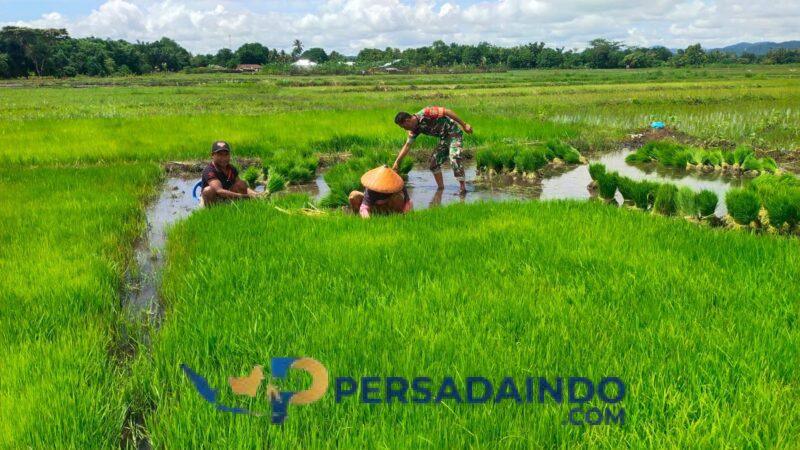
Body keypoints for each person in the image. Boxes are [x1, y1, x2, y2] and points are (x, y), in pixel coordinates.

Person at [392, 106, 473, 195]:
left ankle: (462, 188)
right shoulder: (414, 130)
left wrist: (464, 125)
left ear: (408, 120)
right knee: (433, 163)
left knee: (454, 157)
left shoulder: (426, 112)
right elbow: (407, 145)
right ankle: (440, 189)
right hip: (444, 138)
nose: (404, 129)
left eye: (404, 126)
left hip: (454, 133)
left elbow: (447, 111)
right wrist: (397, 162)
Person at [200, 141, 260, 206]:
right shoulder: (209, 170)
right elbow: (219, 191)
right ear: (212, 155)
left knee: (241, 183)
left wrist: (256, 194)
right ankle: (210, 210)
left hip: (228, 196)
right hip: (213, 199)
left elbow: (242, 185)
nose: (223, 158)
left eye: (226, 154)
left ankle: (240, 205)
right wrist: (245, 196)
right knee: (208, 190)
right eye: (220, 154)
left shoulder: (231, 168)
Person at [348, 166, 412, 218]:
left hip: (389, 208)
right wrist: (368, 221)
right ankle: (358, 216)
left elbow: (408, 202)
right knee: (354, 195)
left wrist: (405, 214)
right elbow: (364, 208)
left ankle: (395, 216)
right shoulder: (371, 188)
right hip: (373, 207)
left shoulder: (397, 183)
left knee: (398, 197)